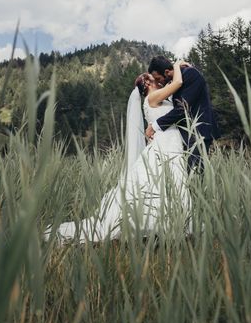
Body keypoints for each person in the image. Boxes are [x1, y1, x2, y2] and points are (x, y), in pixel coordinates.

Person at [44, 60, 189, 244]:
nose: (159, 80)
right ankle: (152, 225)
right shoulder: (153, 98)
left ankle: (171, 224)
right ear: (149, 83)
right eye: (155, 78)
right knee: (156, 184)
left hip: (171, 144)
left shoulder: (158, 97)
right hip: (164, 147)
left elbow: (173, 91)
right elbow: (177, 83)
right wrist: (177, 64)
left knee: (169, 182)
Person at [145, 56, 220, 174]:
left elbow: (182, 108)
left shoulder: (190, 74)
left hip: (199, 132)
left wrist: (155, 126)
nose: (158, 82)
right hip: (187, 135)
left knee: (194, 174)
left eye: (158, 78)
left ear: (166, 72)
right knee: (187, 174)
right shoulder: (175, 80)